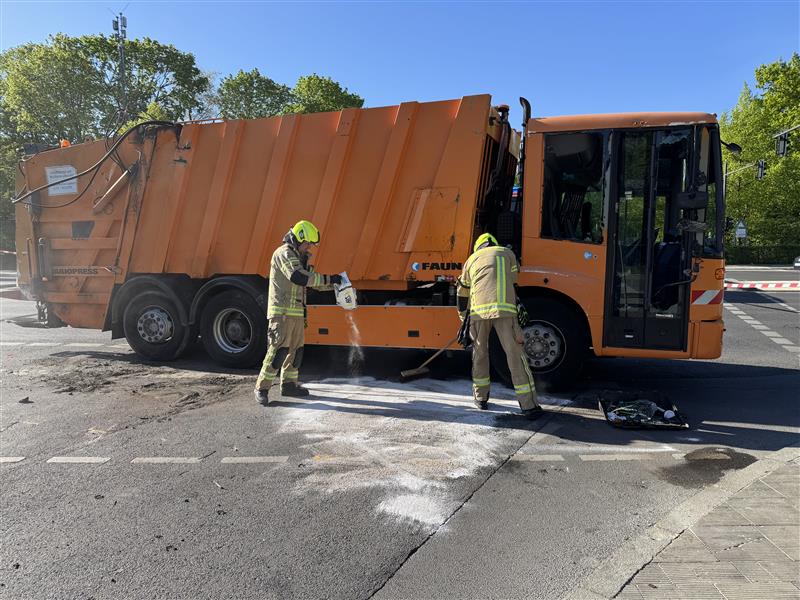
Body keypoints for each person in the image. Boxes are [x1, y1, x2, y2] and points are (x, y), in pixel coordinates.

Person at [254, 220, 342, 405]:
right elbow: (299, 277)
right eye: (308, 243)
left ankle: (289, 385)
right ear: (300, 238)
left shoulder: (298, 257)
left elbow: (310, 282)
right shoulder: (284, 253)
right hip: (282, 313)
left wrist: (336, 285)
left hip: (295, 313)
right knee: (278, 351)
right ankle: (261, 388)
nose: (309, 247)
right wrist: (330, 278)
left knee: (296, 352)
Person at [456, 233, 543, 419]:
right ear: (494, 243)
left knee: (479, 354)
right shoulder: (507, 253)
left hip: (478, 313)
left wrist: (463, 318)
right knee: (515, 355)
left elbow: (462, 291)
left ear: (477, 248)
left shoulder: (470, 260)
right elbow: (513, 278)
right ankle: (529, 406)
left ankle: (481, 398)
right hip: (504, 310)